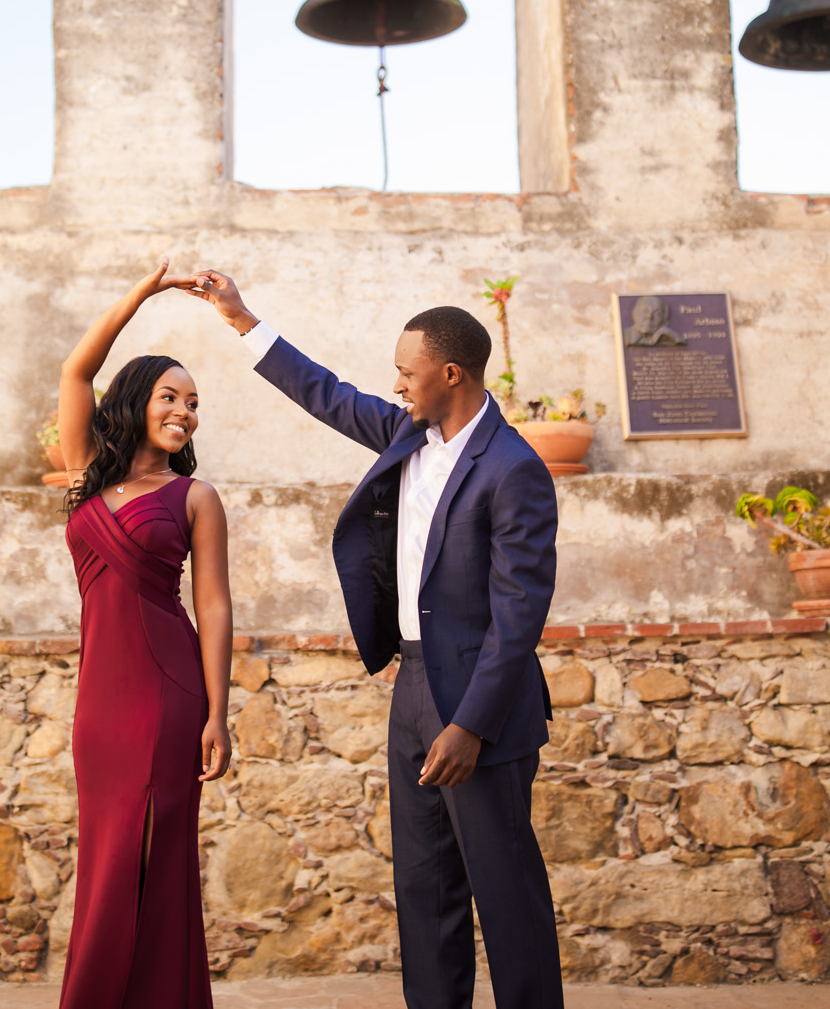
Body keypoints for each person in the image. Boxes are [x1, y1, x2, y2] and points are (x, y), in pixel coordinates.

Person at [185, 269, 564, 1009]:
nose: (395, 384)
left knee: (506, 894)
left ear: (449, 373)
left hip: (480, 710)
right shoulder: (405, 432)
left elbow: (520, 613)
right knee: (426, 889)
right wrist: (241, 318)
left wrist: (470, 724)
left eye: (405, 370)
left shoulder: (515, 470)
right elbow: (325, 393)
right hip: (414, 688)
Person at [55, 261, 232, 1009]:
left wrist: (219, 712)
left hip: (168, 696)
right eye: (171, 396)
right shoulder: (84, 473)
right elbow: (76, 368)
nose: (185, 411)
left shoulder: (196, 496)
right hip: (99, 703)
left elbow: (215, 605)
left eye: (193, 402)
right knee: (104, 857)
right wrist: (145, 293)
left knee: (158, 860)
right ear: (136, 400)